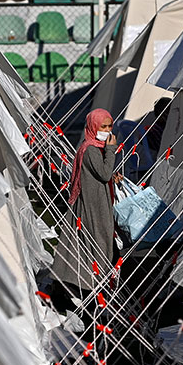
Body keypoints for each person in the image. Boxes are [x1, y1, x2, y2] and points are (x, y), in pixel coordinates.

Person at [51, 108, 121, 292]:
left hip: (95, 201)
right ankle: (92, 285)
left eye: (109, 126)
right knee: (99, 243)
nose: (107, 130)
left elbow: (100, 173)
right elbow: (104, 174)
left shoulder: (93, 147)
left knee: (92, 243)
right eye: (102, 126)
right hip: (94, 205)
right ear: (92, 126)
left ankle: (87, 283)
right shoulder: (91, 149)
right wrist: (111, 150)